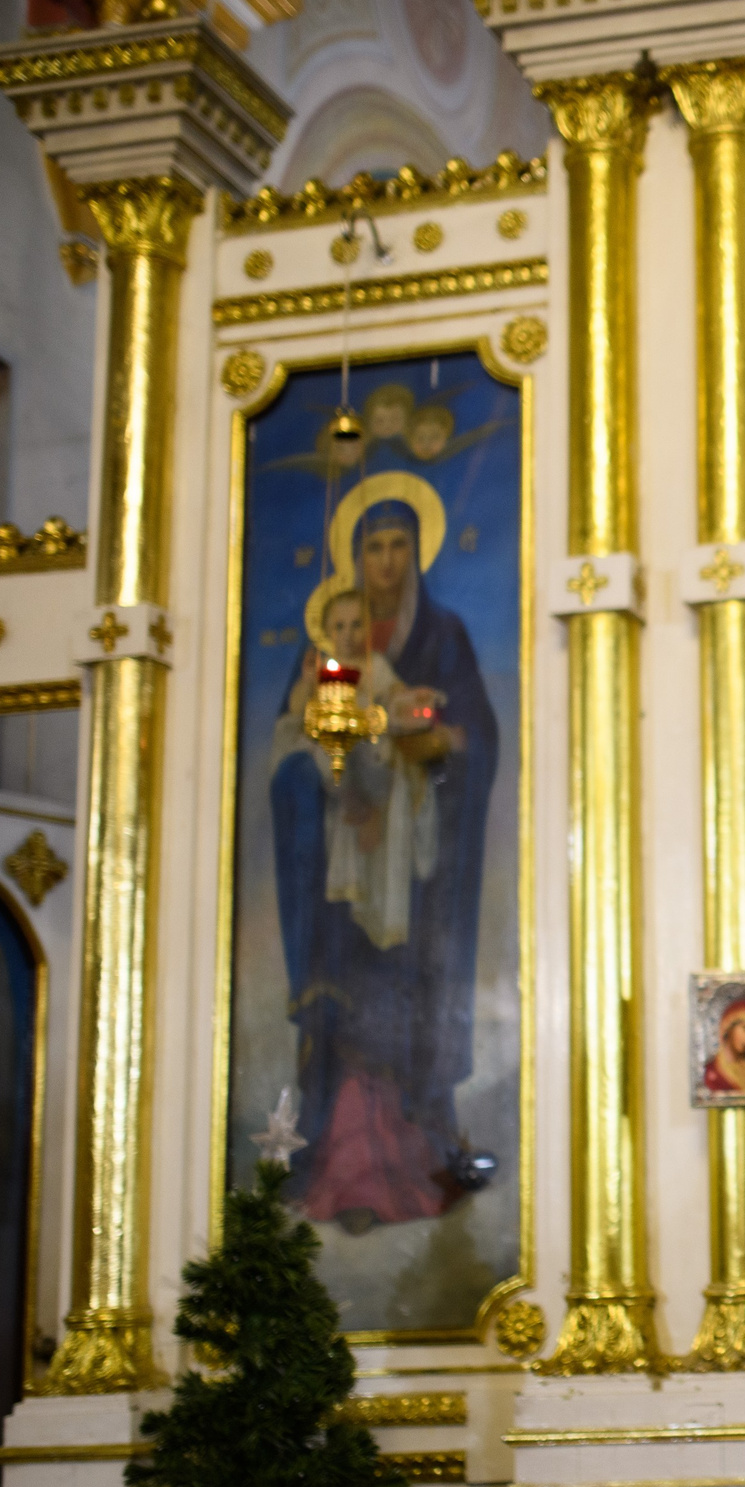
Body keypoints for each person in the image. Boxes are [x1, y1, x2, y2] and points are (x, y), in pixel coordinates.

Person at [270, 494, 499, 1218]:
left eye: (400, 544)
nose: (387, 561)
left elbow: (472, 739)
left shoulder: (442, 637)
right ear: (354, 558)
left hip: (417, 870)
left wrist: (435, 747)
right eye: (374, 547)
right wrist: (333, 786)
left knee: (408, 998)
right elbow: (293, 747)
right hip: (341, 872)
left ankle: (413, 1152)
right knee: (344, 1003)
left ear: (417, 554)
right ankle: (340, 1156)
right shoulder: (324, 656)